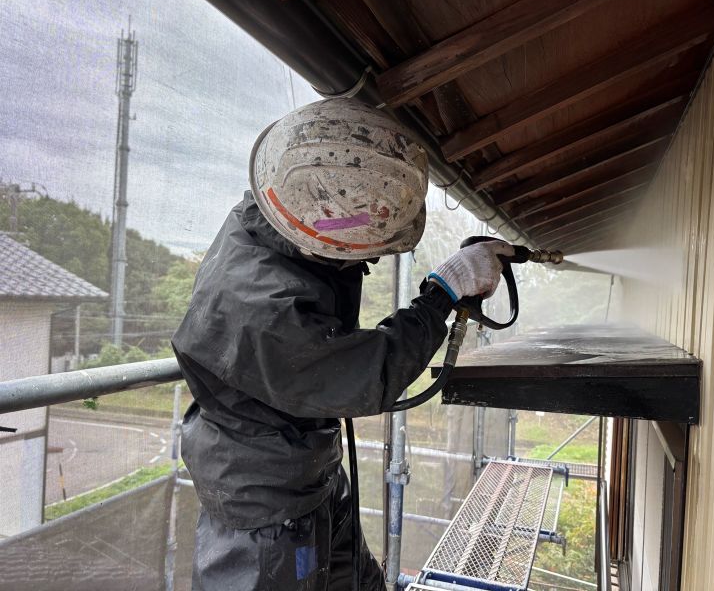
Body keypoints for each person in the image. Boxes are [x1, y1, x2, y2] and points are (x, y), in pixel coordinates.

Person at [172, 98, 513, 590]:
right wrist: (442, 293)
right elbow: (365, 373)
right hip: (267, 511)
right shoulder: (261, 309)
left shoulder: (274, 218)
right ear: (324, 237)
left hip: (307, 472)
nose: (368, 263)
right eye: (366, 254)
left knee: (361, 582)